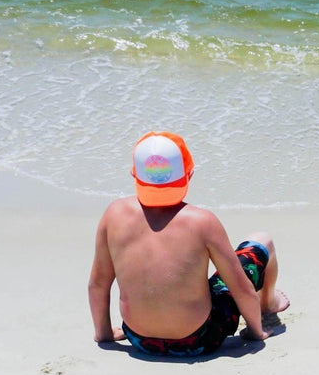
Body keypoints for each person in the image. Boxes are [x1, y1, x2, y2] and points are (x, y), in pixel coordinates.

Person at [88, 131, 288, 356]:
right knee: (263, 241)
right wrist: (255, 332)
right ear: (189, 174)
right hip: (199, 340)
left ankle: (266, 304)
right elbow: (241, 288)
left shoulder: (113, 215)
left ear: (134, 174)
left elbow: (98, 284)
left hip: (139, 339)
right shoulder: (202, 221)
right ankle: (268, 303)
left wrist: (104, 334)